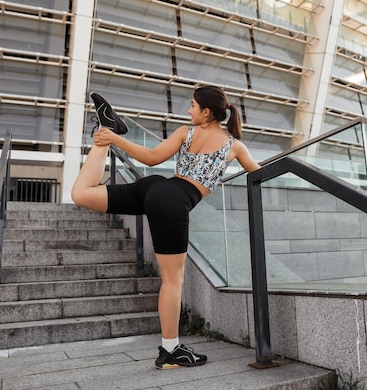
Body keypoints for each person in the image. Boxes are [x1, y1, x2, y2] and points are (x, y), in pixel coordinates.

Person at [71, 87, 260, 369]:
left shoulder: (187, 132)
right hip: (173, 203)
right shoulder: (235, 146)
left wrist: (112, 140)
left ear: (206, 112)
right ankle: (170, 350)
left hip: (156, 187)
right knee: (172, 281)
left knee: (82, 194)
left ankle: (103, 136)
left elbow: (150, 158)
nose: (189, 110)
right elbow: (260, 174)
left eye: (192, 105)